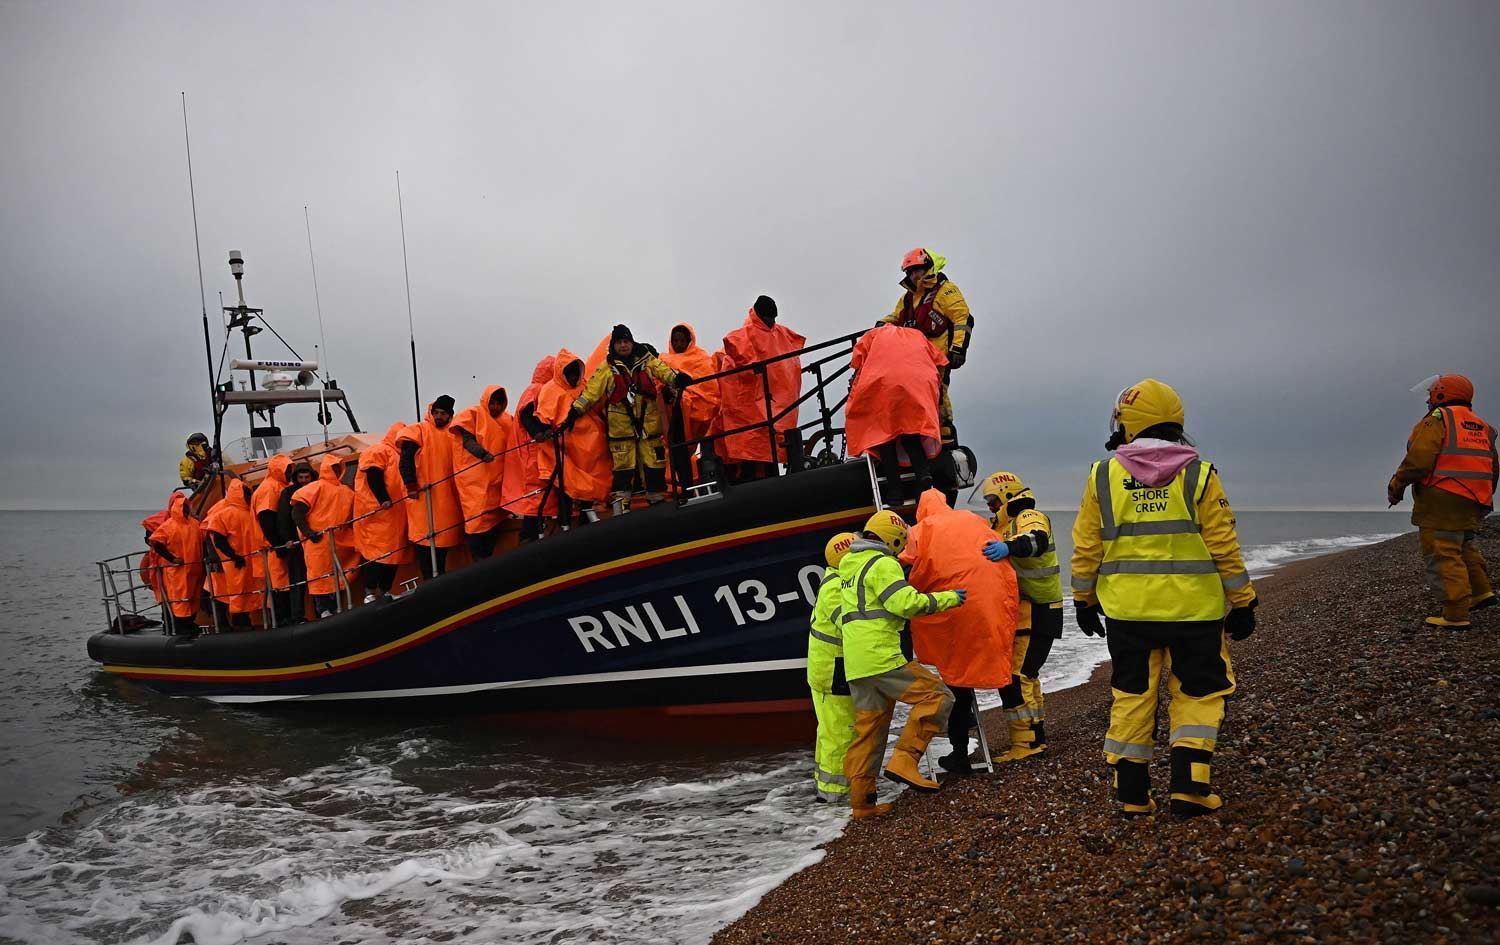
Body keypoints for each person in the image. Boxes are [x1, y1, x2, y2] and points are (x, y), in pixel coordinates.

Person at [1070, 378, 1257, 818]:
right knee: (1198, 692)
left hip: (1128, 613)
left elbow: (1087, 547)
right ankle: (1190, 787)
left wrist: (1082, 600)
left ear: (1127, 423)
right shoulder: (1200, 474)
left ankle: (1132, 793)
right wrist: (1243, 600)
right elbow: (1224, 546)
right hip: (1195, 612)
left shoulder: (1102, 475)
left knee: (1132, 693)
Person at [840, 510, 967, 819]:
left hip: (856, 665)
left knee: (868, 732)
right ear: (894, 539)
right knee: (938, 697)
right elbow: (905, 603)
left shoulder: (848, 565)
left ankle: (862, 803)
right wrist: (949, 597)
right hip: (882, 657)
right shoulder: (883, 563)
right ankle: (905, 761)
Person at [900, 489, 1018, 775]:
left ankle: (960, 755)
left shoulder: (921, 529)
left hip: (956, 608)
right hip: (987, 604)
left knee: (957, 681)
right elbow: (997, 547)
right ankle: (1026, 735)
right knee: (992, 662)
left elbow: (903, 559)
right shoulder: (972, 519)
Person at [1388, 373, 1497, 630]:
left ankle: (1455, 613)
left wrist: (1396, 485)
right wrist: (1484, 497)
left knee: (1443, 552)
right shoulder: (1483, 426)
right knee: (1464, 546)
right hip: (1475, 497)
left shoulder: (1439, 420)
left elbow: (1419, 460)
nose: (1428, 400)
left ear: (1441, 394)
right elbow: (1494, 467)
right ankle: (1482, 593)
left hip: (1442, 497)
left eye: (1431, 394)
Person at [980, 470, 1066, 761]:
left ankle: (1028, 743)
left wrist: (1008, 547)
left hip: (1041, 608)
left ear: (1006, 494)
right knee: (1027, 674)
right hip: (1031, 610)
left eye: (993, 500)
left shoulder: (1027, 516)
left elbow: (1036, 540)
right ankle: (1035, 736)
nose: (991, 506)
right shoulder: (1004, 525)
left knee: (1018, 676)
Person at [570, 325, 687, 512]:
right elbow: (591, 392)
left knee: (654, 463)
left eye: (626, 342)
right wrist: (575, 411)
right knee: (623, 468)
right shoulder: (607, 368)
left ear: (632, 343)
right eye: (619, 343)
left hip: (648, 426)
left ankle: (656, 501)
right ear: (613, 345)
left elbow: (664, 371)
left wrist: (678, 379)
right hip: (621, 429)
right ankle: (620, 508)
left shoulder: (647, 360)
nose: (623, 346)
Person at [880, 248, 973, 452]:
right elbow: (896, 317)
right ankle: (920, 447)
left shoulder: (945, 290)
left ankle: (946, 445)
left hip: (937, 358)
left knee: (937, 398)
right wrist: (881, 325)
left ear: (928, 267)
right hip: (914, 362)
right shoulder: (908, 298)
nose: (915, 275)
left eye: (918, 270)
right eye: (911, 272)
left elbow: (962, 318)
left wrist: (958, 349)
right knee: (913, 402)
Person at [845, 324, 947, 505]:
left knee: (885, 440)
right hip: (918, 383)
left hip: (883, 385)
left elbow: (857, 361)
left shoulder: (873, 335)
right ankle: (924, 474)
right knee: (911, 434)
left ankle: (894, 491)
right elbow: (940, 361)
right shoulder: (919, 335)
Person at [718, 297, 806, 480]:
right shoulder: (746, 334)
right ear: (759, 315)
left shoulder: (780, 333)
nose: (771, 321)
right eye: (768, 317)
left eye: (773, 317)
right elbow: (733, 345)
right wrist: (752, 366)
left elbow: (797, 344)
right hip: (752, 409)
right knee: (754, 448)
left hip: (773, 405)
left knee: (767, 448)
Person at [534, 348, 613, 527]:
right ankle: (565, 523)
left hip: (593, 446)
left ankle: (586, 516)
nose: (573, 377)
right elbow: (542, 417)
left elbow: (598, 405)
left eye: (575, 372)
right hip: (566, 449)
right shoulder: (550, 391)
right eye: (569, 373)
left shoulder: (585, 385)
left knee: (592, 481)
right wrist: (545, 430)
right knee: (566, 485)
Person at [808, 531, 858, 803]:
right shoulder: (837, 589)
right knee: (840, 732)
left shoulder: (834, 582)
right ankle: (835, 795)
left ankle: (825, 785)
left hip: (827, 669)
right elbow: (851, 622)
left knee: (829, 730)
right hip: (833, 671)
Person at [399, 396, 464, 579]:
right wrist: (410, 484)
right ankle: (430, 581)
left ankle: (439, 578)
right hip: (423, 500)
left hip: (447, 501)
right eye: (435, 412)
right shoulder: (418, 431)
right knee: (425, 544)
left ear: (450, 415)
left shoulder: (453, 434)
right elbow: (405, 460)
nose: (438, 416)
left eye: (443, 413)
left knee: (443, 542)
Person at [293, 454, 359, 618]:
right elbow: (297, 512)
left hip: (341, 542)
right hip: (318, 542)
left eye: (338, 468)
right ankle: (323, 610)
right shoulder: (314, 487)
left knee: (338, 575)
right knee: (319, 576)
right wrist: (309, 533)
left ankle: (338, 607)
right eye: (333, 468)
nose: (336, 471)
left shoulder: (346, 491)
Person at [450, 384, 513, 558]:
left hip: (497, 481)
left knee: (495, 519)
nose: (495, 407)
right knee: (476, 520)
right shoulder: (473, 414)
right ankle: (479, 561)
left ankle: (486, 559)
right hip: (475, 482)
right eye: (492, 402)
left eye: (499, 403)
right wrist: (482, 454)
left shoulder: (507, 420)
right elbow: (467, 441)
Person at [355, 422, 414, 602]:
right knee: (377, 553)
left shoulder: (400, 455)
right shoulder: (378, 450)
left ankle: (385, 590)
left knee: (394, 553)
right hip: (379, 514)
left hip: (396, 514)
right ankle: (370, 592)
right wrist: (383, 499)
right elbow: (373, 474)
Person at [660, 322, 722, 485]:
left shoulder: (701, 359)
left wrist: (685, 396)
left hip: (692, 413)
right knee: (676, 450)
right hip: (671, 415)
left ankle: (686, 484)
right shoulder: (663, 360)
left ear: (689, 340)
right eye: (675, 341)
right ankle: (680, 484)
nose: (678, 344)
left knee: (680, 449)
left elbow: (710, 391)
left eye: (681, 340)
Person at [506, 356, 560, 542]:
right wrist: (541, 432)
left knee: (540, 493)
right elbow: (527, 416)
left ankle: (535, 532)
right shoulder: (537, 390)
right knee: (536, 493)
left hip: (536, 450)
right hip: (534, 451)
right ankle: (529, 535)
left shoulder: (536, 389)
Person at [201, 475, 264, 629]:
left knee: (239, 592)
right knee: (224, 595)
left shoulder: (246, 510)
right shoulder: (222, 511)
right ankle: (227, 623)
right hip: (227, 564)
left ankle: (241, 620)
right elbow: (212, 535)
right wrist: (225, 557)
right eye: (246, 492)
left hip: (242, 561)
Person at [148, 492, 204, 635]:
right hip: (177, 571)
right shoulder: (168, 526)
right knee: (179, 599)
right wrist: (172, 559)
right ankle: (181, 628)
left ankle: (189, 624)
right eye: (184, 506)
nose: (186, 508)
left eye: (187, 506)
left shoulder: (195, 524)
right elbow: (156, 542)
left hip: (194, 570)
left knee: (192, 598)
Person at [252, 456, 296, 624]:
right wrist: (278, 545)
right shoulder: (269, 488)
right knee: (280, 584)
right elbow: (265, 519)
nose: (290, 473)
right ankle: (282, 620)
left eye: (290, 469)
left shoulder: (282, 485)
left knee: (285, 582)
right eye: (287, 470)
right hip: (272, 548)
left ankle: (288, 617)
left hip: (282, 545)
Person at [275, 461, 316, 622]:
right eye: (301, 477)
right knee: (298, 580)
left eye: (307, 477)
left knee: (318, 577)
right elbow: (284, 517)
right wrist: (288, 539)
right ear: (296, 478)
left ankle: (322, 611)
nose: (304, 480)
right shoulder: (288, 493)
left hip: (314, 541)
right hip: (297, 543)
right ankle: (297, 615)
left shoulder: (317, 487)